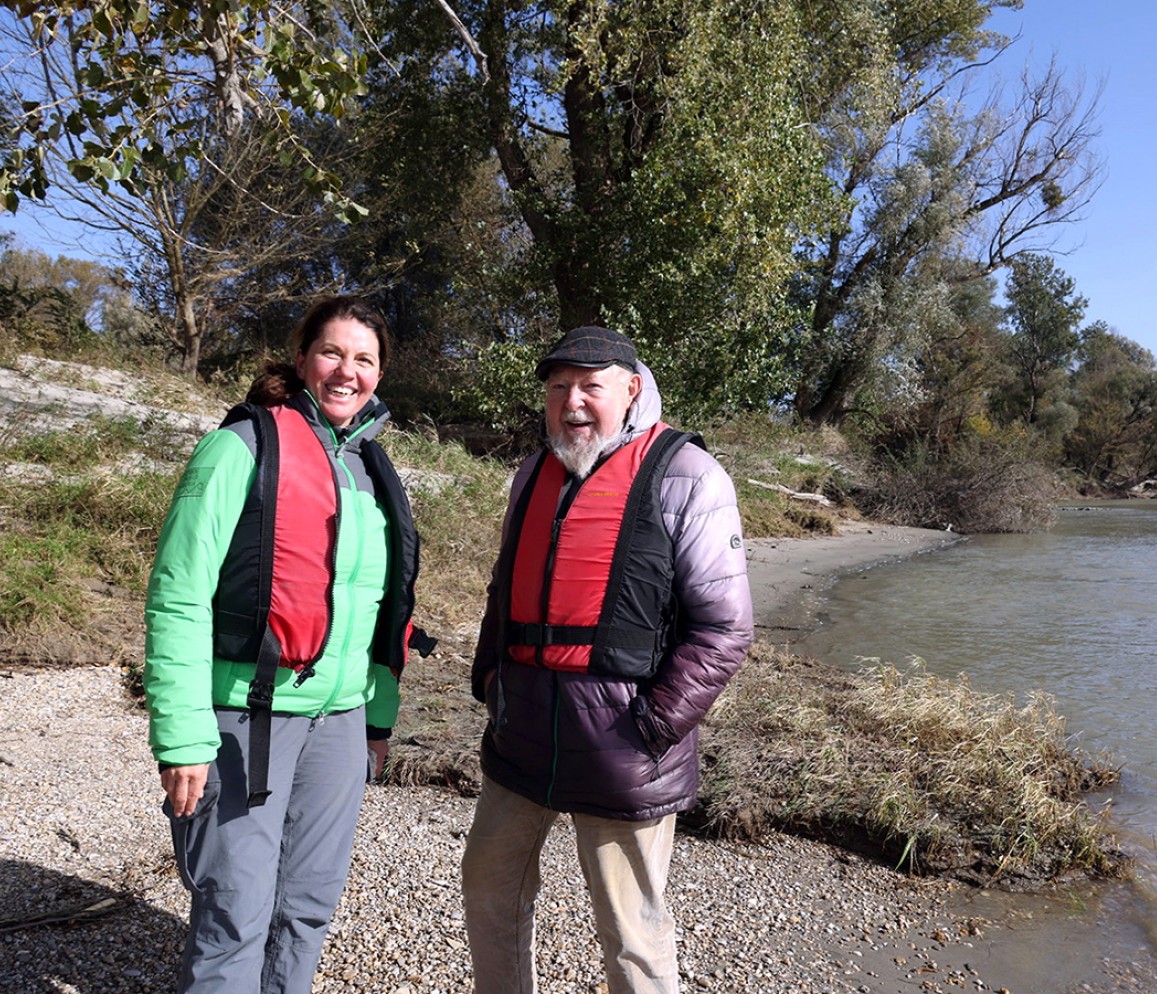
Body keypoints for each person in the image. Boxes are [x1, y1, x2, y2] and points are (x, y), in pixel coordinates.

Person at [143, 295, 432, 994]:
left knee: (306, 908)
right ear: (302, 359)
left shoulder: (372, 468)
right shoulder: (242, 445)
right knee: (234, 913)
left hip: (338, 725)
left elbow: (378, 613)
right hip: (244, 717)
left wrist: (376, 720)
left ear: (380, 374)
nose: (346, 371)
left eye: (364, 359)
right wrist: (182, 736)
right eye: (332, 352)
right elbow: (177, 593)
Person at [461, 325, 755, 994]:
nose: (572, 402)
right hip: (523, 731)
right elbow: (503, 591)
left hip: (626, 743)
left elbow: (725, 627)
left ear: (630, 389)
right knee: (488, 888)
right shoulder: (532, 472)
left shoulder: (688, 473)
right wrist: (489, 681)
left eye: (591, 386)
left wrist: (653, 724)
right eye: (558, 387)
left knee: (631, 932)